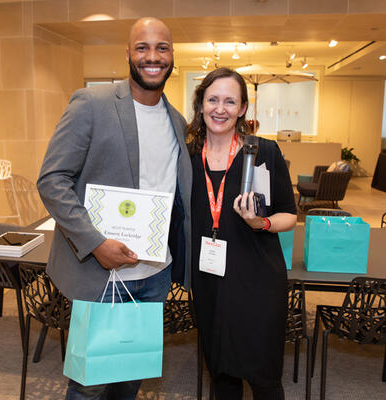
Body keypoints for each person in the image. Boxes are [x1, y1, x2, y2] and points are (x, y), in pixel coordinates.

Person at [37, 17, 192, 400]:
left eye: (162, 48)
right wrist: (95, 243)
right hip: (100, 272)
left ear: (173, 56)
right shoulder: (92, 103)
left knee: (130, 379)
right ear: (128, 54)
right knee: (89, 384)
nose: (152, 57)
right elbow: (52, 180)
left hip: (154, 274)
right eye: (142, 48)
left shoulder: (178, 121)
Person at [187, 67, 297, 400]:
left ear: (243, 108)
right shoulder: (188, 156)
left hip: (257, 278)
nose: (220, 109)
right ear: (201, 104)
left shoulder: (263, 152)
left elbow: (289, 215)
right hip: (209, 279)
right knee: (221, 372)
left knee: (263, 376)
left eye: (230, 101)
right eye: (213, 99)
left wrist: (259, 223)